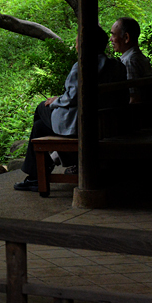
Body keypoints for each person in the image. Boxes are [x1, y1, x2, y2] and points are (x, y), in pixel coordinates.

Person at [14, 25, 127, 192]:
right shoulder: (117, 66)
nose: (75, 46)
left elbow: (72, 97)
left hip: (84, 126)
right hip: (108, 123)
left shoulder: (83, 65)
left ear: (83, 45)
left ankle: (39, 175)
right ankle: (36, 175)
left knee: (40, 109)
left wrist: (55, 100)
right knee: (39, 127)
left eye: (76, 42)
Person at [110, 17, 152, 105]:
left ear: (126, 37)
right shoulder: (138, 57)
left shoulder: (129, 61)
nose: (110, 39)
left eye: (113, 35)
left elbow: (134, 97)